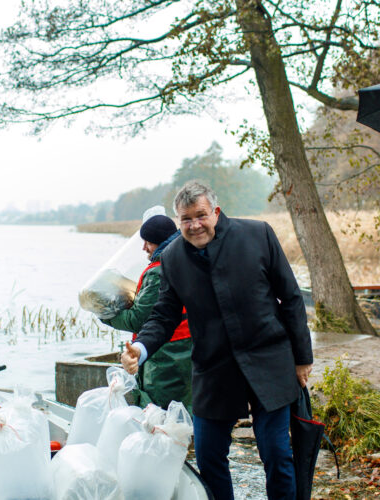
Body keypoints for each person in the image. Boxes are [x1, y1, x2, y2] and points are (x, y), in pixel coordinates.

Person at [121, 181, 313, 500]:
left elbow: (291, 298)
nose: (195, 225)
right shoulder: (172, 259)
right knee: (209, 456)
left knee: (277, 454)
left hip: (268, 359)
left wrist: (302, 358)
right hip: (214, 368)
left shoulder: (258, 235)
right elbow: (164, 317)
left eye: (201, 215)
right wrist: (139, 350)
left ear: (216, 211)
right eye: (186, 219)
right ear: (178, 221)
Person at [100, 214, 193, 413]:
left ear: (159, 242)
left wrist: (105, 314)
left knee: (159, 409)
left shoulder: (158, 271)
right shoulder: (183, 258)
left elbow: (139, 320)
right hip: (184, 346)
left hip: (166, 354)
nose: (144, 248)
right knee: (184, 407)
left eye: (148, 243)